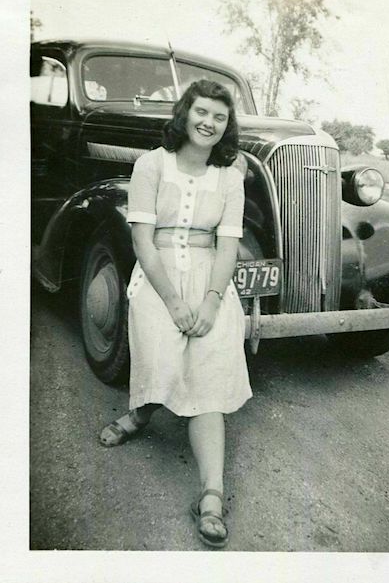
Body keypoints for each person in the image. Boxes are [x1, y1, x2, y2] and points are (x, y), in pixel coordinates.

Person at [100, 79, 252, 549]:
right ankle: (141, 413)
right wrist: (172, 300)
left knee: (207, 376)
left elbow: (228, 245)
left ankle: (211, 495)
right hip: (158, 277)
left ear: (226, 126)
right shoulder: (152, 165)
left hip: (209, 278)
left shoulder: (229, 176)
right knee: (164, 357)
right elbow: (142, 241)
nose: (208, 122)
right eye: (201, 112)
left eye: (219, 117)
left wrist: (210, 300)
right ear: (186, 113)